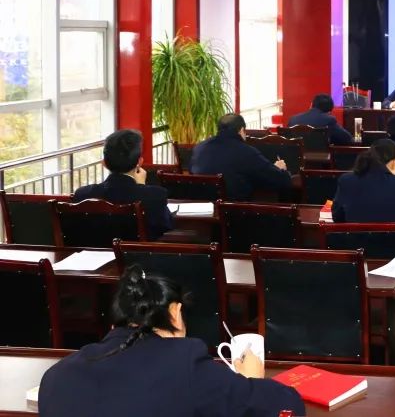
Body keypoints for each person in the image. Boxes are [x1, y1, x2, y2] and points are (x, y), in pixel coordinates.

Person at [39, 266, 305, 417]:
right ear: (175, 313)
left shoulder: (56, 376)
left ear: (114, 323)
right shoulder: (185, 363)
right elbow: (287, 407)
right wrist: (252, 381)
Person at [72, 129, 173, 240]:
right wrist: (141, 187)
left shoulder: (82, 194)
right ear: (139, 162)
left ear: (104, 163)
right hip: (136, 251)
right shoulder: (155, 194)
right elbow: (165, 226)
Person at [190, 114, 292, 201]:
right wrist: (280, 170)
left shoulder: (199, 147)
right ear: (242, 130)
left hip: (201, 207)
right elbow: (280, 181)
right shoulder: (246, 151)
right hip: (234, 211)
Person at [286, 93, 353, 145]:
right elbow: (347, 138)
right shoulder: (329, 120)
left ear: (311, 105)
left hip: (295, 157)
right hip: (320, 158)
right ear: (329, 111)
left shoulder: (293, 119)